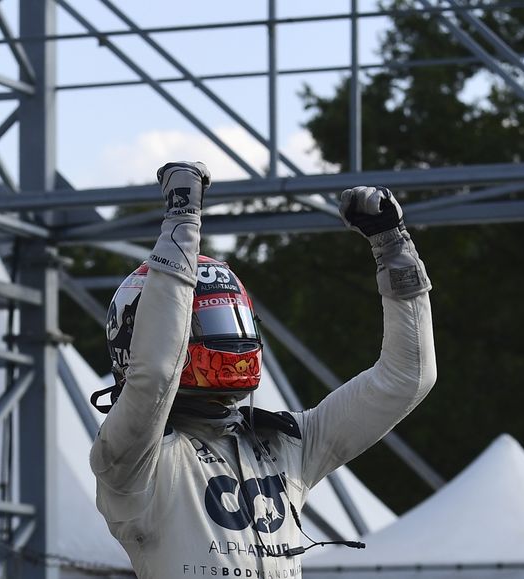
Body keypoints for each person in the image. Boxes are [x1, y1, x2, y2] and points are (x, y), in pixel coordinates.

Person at [90, 161, 436, 578]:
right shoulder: (128, 459)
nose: (232, 340)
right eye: (208, 323)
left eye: (234, 320)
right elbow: (154, 378)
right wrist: (181, 224)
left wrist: (394, 249)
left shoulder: (286, 443)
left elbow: (407, 379)